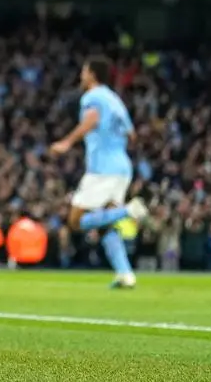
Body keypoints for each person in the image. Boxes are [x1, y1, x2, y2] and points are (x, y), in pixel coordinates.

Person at [50, 56, 147, 288]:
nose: (81, 76)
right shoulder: (115, 100)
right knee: (105, 226)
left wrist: (67, 142)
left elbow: (91, 120)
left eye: (84, 72)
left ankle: (129, 210)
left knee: (75, 221)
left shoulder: (92, 97)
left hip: (102, 169)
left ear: (92, 74)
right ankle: (125, 274)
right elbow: (132, 135)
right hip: (122, 167)